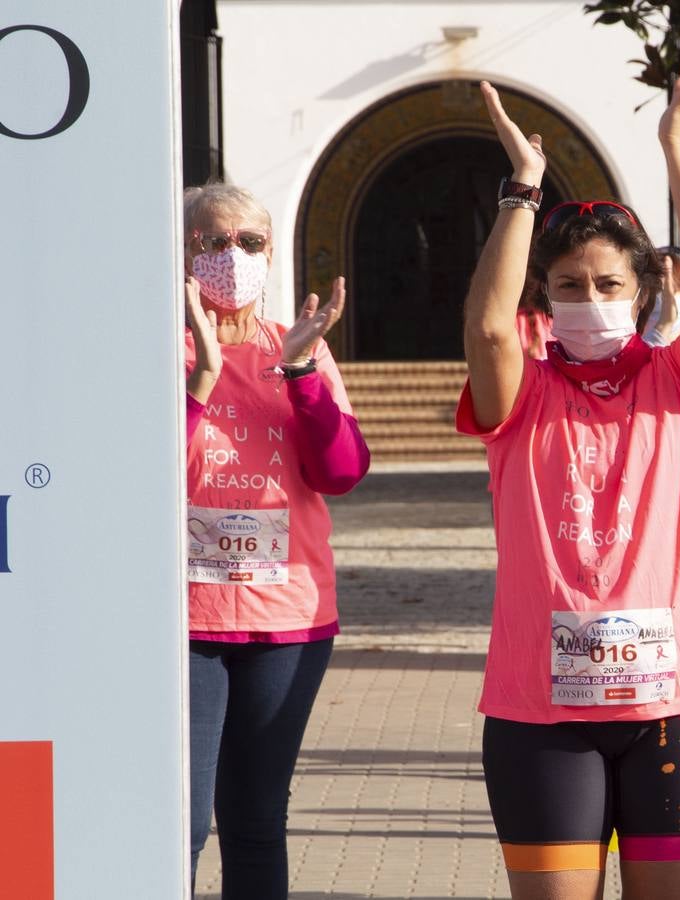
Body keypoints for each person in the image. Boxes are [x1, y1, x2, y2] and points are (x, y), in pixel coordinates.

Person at [456, 39, 680, 900]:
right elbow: (484, 333)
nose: (591, 299)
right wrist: (522, 190)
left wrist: (675, 145)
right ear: (542, 301)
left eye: (609, 284)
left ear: (645, 289)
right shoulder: (520, 398)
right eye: (570, 287)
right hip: (543, 717)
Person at [183, 183, 369, 898]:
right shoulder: (156, 344)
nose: (233, 255)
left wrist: (300, 374)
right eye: (213, 241)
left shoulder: (298, 347)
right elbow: (144, 476)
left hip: (286, 620)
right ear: (185, 250)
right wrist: (201, 375)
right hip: (184, 623)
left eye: (250, 242)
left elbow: (341, 471)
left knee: (255, 820)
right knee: (185, 821)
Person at [639, 246, 680, 346]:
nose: (665, 306)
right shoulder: (629, 351)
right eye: (657, 291)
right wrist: (663, 327)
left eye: (674, 291)